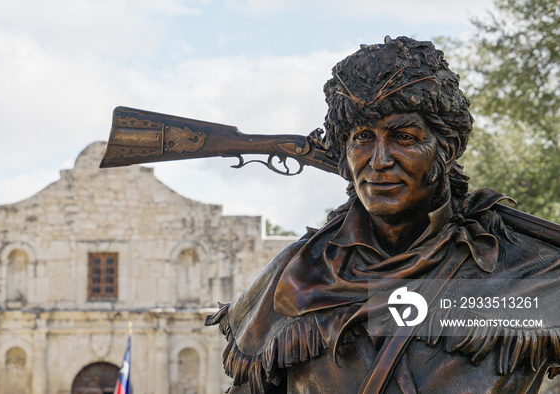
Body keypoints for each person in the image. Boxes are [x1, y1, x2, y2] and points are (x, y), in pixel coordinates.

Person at [206, 36, 560, 393]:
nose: (379, 161)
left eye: (403, 137)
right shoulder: (297, 274)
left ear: (447, 148)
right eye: (362, 137)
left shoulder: (530, 269)